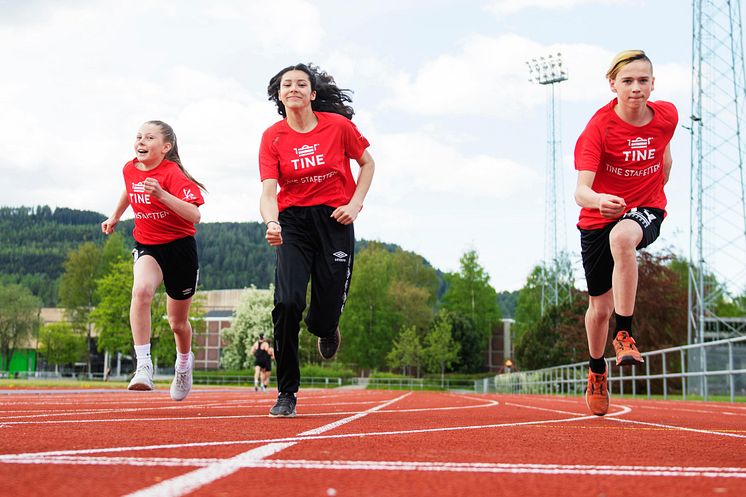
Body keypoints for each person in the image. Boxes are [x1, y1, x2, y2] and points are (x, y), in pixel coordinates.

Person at [259, 63, 375, 417]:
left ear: (312, 94)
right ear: (279, 95)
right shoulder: (272, 137)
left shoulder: (338, 127)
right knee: (288, 302)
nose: (292, 88)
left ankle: (327, 327)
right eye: (286, 84)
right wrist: (272, 221)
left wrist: (355, 204)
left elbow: (368, 164)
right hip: (293, 222)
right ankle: (286, 393)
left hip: (334, 218)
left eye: (300, 84)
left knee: (321, 316)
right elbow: (267, 191)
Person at [574, 50, 678, 416]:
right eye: (628, 81)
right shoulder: (598, 129)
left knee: (623, 237)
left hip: (645, 209)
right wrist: (601, 199)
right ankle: (597, 370)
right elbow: (580, 192)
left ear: (653, 83)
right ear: (613, 84)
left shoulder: (667, 115)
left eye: (643, 80)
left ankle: (625, 334)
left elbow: (664, 152)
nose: (637, 88)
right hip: (596, 216)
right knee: (598, 309)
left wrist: (657, 183)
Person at [101, 120, 206, 402]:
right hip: (148, 245)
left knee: (177, 323)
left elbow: (194, 215)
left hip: (180, 249)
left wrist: (161, 194)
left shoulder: (173, 174)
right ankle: (143, 365)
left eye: (149, 138)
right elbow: (129, 188)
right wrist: (115, 216)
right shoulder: (130, 167)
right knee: (141, 291)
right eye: (138, 136)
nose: (141, 142)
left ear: (165, 147)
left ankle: (184, 364)